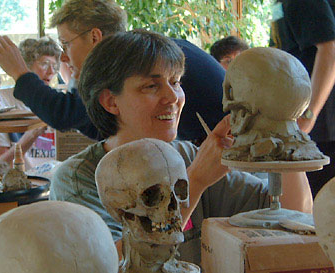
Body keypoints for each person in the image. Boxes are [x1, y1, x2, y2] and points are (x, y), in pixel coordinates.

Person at [46, 30, 312, 266]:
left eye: (175, 82)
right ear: (110, 102)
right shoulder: (78, 178)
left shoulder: (187, 155)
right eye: (151, 86)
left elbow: (292, 217)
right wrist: (194, 181)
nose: (173, 97)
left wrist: (282, 125)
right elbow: (107, 264)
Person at [0, 0, 225, 145]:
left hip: (228, 156)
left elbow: (64, 114)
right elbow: (104, 127)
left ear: (94, 37)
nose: (64, 57)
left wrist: (20, 73)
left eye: (66, 44)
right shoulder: (136, 56)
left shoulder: (138, 59)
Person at [270, 0, 335, 198]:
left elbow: (330, 50)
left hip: (322, 127)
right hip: (311, 124)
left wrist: (308, 115)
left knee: (321, 211)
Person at [0, 37, 61, 170]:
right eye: (45, 64)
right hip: (21, 181)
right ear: (25, 64)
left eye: (54, 66)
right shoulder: (2, 101)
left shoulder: (56, 101)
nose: (51, 72)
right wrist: (31, 135)